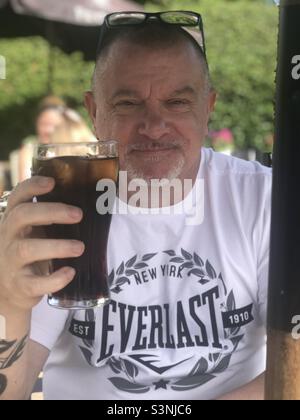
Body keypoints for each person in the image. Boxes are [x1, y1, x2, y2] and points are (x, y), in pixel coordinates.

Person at [0, 11, 271, 400]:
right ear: (94, 112)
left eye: (177, 101)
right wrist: (7, 301)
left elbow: (292, 368)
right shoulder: (57, 209)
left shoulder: (262, 199)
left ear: (208, 108)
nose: (154, 126)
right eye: (128, 103)